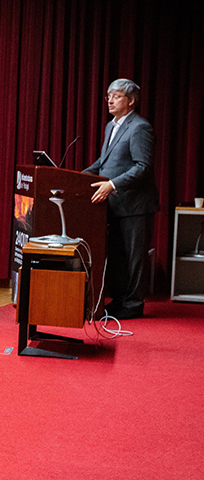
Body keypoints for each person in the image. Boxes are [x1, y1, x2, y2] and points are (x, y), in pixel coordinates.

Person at [84, 78, 157, 320]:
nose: (110, 100)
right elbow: (104, 163)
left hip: (135, 204)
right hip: (114, 204)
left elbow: (142, 167)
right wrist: (76, 177)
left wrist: (112, 184)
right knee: (118, 256)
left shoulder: (139, 127)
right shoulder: (110, 126)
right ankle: (120, 300)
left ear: (131, 100)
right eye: (108, 96)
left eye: (115, 96)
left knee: (134, 257)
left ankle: (134, 304)